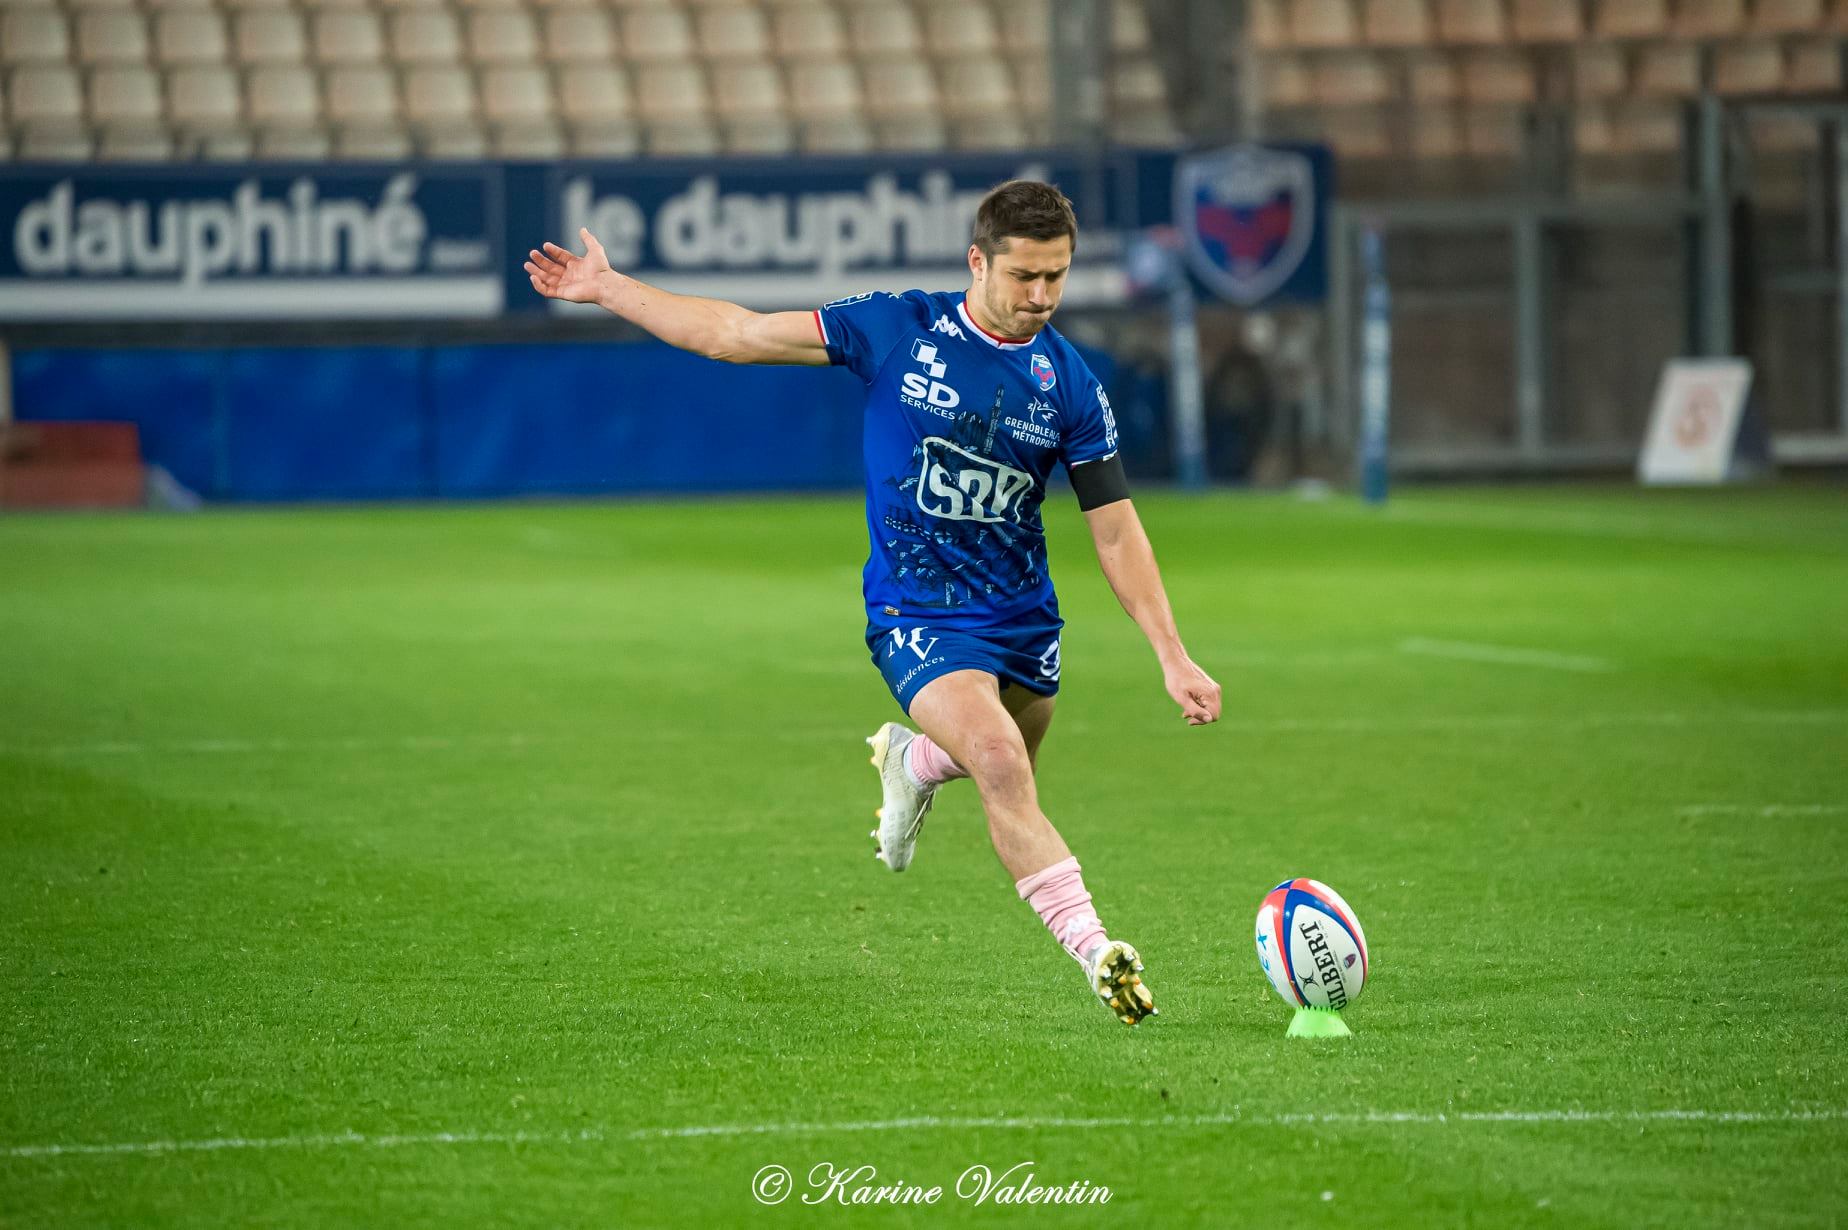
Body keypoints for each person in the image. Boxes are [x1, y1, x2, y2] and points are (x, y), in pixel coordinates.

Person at [525, 180, 1221, 1025]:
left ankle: (912, 761)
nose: (1041, 298)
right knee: (1000, 761)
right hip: (916, 612)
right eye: (1024, 277)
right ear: (977, 261)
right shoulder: (898, 326)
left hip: (1021, 617)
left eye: (1057, 278)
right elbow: (739, 335)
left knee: (1003, 760)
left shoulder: (1067, 382)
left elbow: (1115, 532)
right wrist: (608, 288)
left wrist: (1170, 650)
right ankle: (1098, 950)